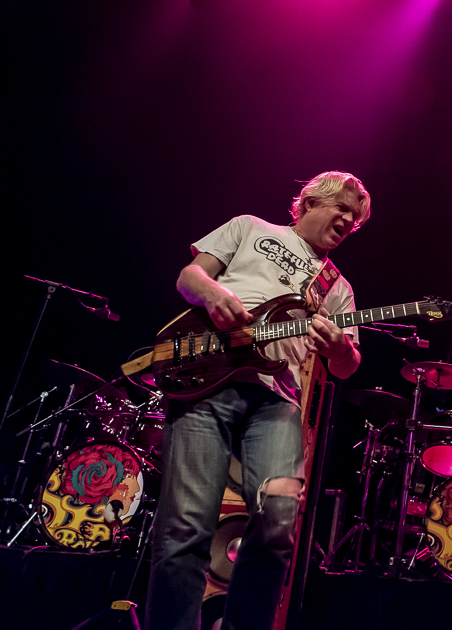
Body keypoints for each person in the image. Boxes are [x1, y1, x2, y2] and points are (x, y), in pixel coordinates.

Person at [145, 171, 370, 630]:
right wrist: (214, 294)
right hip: (207, 377)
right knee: (185, 529)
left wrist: (337, 348)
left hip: (277, 400)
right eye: (341, 208)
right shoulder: (249, 227)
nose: (348, 219)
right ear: (309, 202)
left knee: (277, 527)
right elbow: (189, 278)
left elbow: (348, 365)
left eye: (355, 216)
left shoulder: (338, 287)